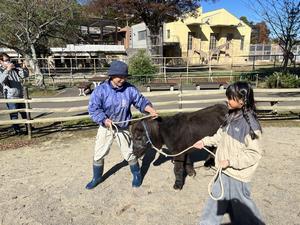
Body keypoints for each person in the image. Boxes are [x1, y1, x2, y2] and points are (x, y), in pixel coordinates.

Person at [193, 81, 265, 225]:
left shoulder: (250, 124)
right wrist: (205, 141)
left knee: (243, 211)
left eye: (231, 98)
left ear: (243, 100)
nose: (228, 100)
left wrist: (230, 162)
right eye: (228, 97)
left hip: (238, 175)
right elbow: (220, 137)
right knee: (214, 200)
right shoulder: (231, 117)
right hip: (223, 171)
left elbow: (253, 153)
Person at [86, 60, 158, 190]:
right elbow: (93, 109)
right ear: (112, 76)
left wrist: (149, 109)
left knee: (129, 153)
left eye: (125, 77)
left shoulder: (130, 89)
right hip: (106, 127)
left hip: (123, 127)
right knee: (98, 153)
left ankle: (137, 175)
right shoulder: (101, 90)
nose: (122, 79)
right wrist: (104, 120)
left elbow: (140, 101)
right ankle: (96, 178)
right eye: (120, 77)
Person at [0, 53, 29, 135]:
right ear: (1, 62)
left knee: (25, 112)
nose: (8, 62)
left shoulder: (15, 68)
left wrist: (24, 68)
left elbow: (25, 75)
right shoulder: (1, 70)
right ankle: (17, 130)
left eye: (9, 60)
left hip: (20, 95)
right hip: (10, 96)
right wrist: (7, 70)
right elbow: (1, 81)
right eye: (6, 60)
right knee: (14, 114)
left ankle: (28, 128)